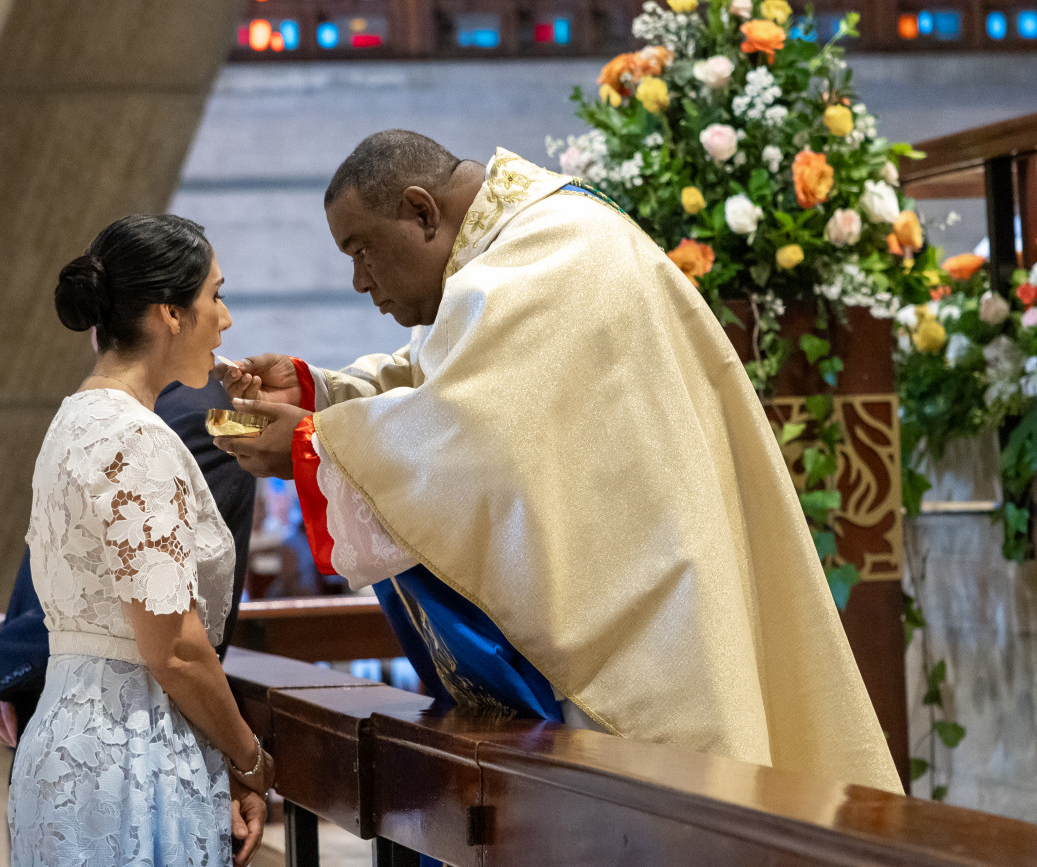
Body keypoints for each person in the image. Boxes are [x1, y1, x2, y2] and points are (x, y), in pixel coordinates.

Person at [215, 130, 903, 794]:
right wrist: (320, 393)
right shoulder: (518, 250)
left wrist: (315, 444)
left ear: (421, 211)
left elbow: (471, 436)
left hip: (660, 619)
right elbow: (453, 380)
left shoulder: (552, 253)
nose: (358, 280)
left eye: (362, 250)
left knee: (682, 809)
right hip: (652, 584)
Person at [7, 214, 273, 867]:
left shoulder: (74, 418)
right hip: (131, 752)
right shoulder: (137, 438)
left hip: (66, 738)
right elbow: (174, 648)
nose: (226, 319)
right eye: (215, 295)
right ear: (170, 313)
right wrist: (249, 757)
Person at [0, 375, 256, 747]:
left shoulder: (200, 418)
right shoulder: (101, 408)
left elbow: (135, 590)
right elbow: (59, 549)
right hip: (72, 703)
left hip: (124, 719)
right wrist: (0, 672)